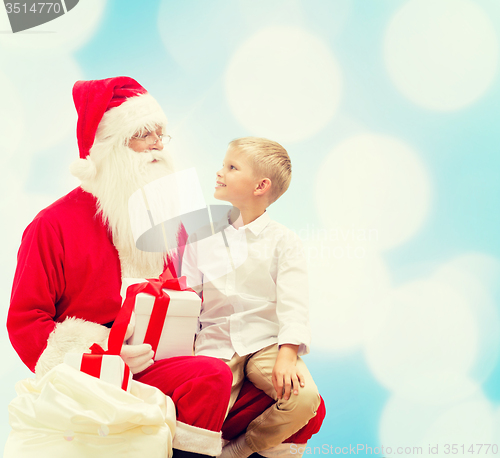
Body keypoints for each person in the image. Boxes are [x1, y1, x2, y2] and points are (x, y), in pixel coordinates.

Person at [7, 76, 232, 458]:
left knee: (279, 398)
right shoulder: (52, 225)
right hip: (101, 371)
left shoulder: (170, 223)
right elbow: (26, 321)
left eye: (161, 134)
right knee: (211, 378)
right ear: (109, 148)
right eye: (144, 134)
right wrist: (102, 354)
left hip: (172, 360)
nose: (158, 145)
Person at [181, 137, 322, 458]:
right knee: (200, 410)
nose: (219, 172)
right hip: (214, 342)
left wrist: (288, 354)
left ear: (260, 186)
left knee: (304, 399)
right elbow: (189, 295)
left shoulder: (284, 241)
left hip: (266, 343)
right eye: (223, 165)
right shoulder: (202, 235)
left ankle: (240, 451)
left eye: (231, 167)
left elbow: (294, 302)